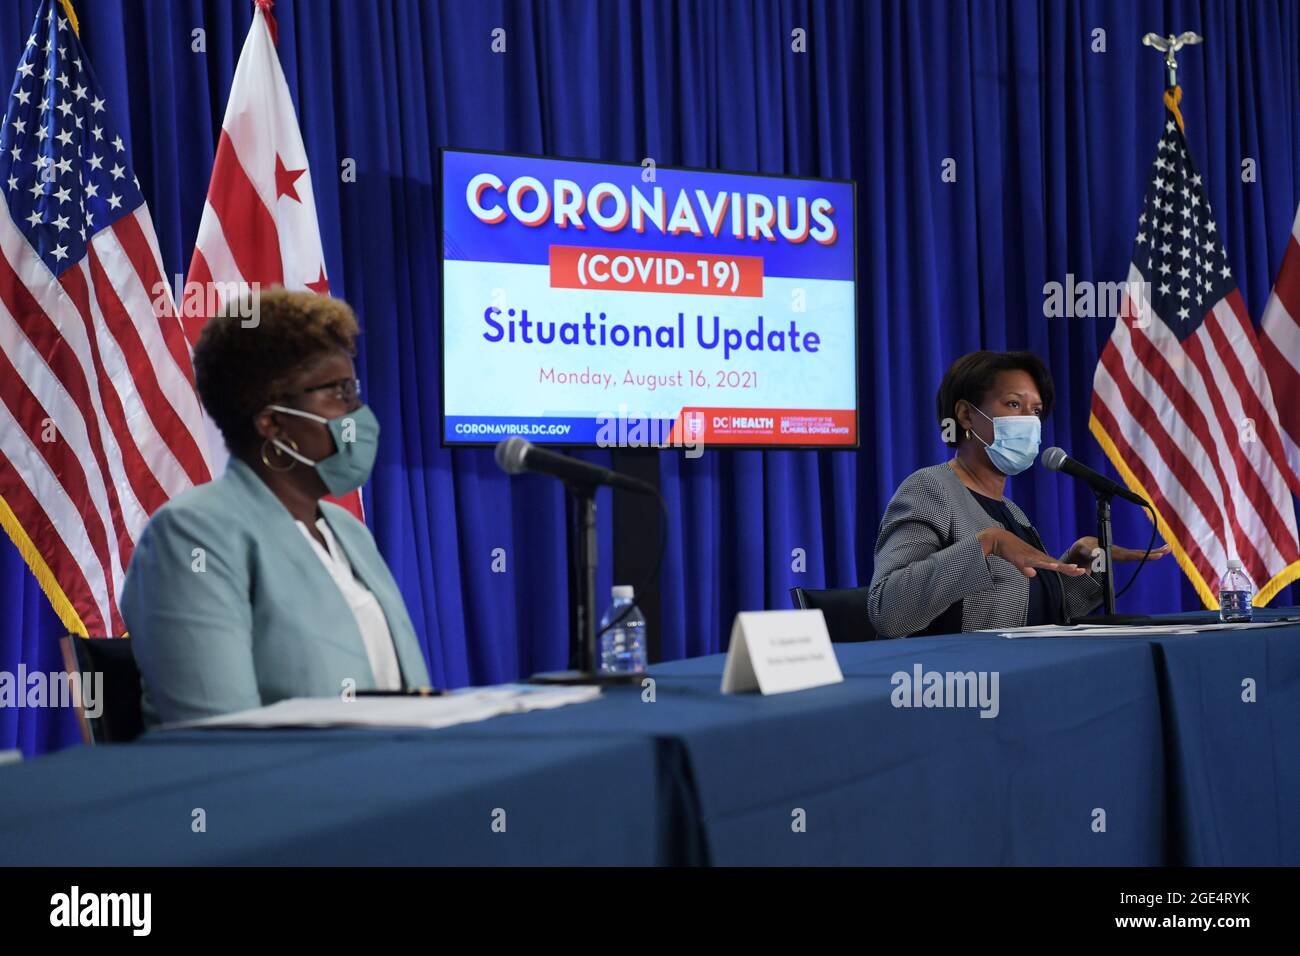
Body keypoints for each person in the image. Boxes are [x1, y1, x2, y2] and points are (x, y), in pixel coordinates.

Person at [121, 288, 430, 726]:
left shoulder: (348, 531)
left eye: (354, 390)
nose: (357, 412)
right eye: (339, 392)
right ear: (273, 422)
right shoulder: (192, 535)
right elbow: (222, 738)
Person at [867, 350, 1169, 638]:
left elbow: (1037, 616)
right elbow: (888, 610)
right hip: (959, 684)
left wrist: (1080, 562)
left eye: (1036, 410)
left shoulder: (1011, 512)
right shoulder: (930, 489)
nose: (1029, 420)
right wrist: (987, 543)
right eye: (1013, 404)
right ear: (965, 415)